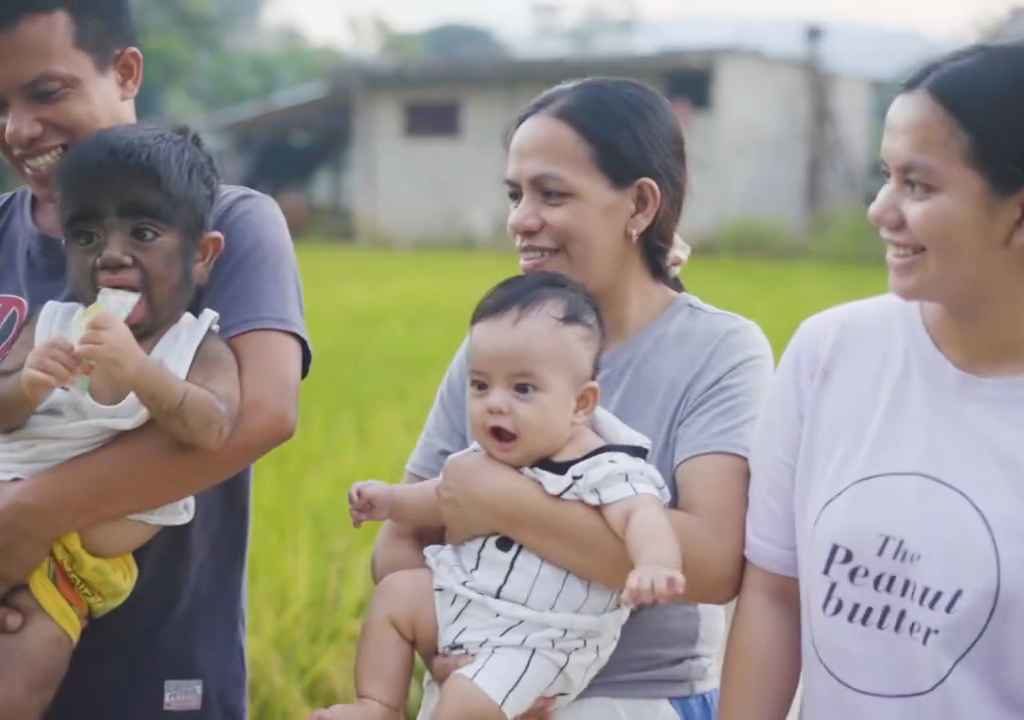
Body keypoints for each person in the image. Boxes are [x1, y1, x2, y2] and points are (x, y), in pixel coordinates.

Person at [373, 77, 774, 720]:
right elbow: (399, 543)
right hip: (475, 691)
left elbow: (711, 562)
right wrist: (464, 665)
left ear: (640, 206)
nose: (521, 219)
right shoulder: (500, 349)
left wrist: (501, 500)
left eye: (551, 194)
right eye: (515, 193)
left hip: (638, 700)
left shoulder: (718, 350)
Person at [0, 2, 310, 717]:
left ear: (126, 71)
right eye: (0, 104)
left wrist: (25, 519)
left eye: (46, 93)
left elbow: (260, 415)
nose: (17, 129)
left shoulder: (224, 222)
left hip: (158, 670)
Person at [719, 43, 1024, 719]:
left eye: (918, 185)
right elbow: (774, 592)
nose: (880, 210)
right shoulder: (832, 352)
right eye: (885, 177)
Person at [315, 272, 686, 720]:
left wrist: (655, 563)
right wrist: (389, 501)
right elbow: (439, 497)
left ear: (581, 404)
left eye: (523, 389)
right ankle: (378, 705)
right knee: (396, 596)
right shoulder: (490, 456)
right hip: (472, 605)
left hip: (542, 641)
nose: (495, 403)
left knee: (463, 703)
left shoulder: (608, 466)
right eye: (480, 385)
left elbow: (641, 516)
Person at [0, 124, 240, 719]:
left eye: (144, 232)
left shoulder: (196, 347)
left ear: (203, 254)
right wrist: (27, 385)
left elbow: (213, 430)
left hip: (65, 573)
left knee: (20, 679)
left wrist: (141, 372)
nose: (109, 253)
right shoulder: (53, 325)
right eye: (85, 235)